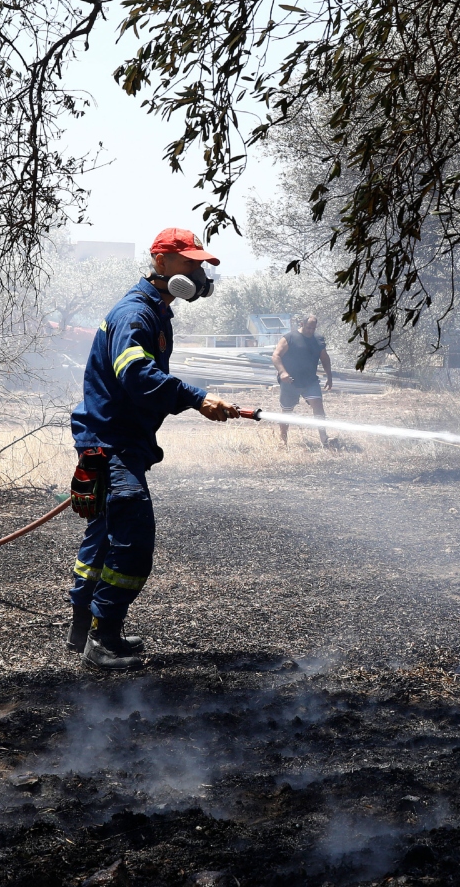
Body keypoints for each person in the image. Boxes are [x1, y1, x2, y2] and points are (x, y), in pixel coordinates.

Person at [67, 228, 240, 670]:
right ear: (160, 263)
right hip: (112, 443)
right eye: (190, 264)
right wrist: (197, 398)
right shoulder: (135, 314)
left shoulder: (155, 311)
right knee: (132, 541)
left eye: (201, 266)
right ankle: (101, 640)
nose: (198, 274)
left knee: (104, 536)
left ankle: (83, 628)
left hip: (115, 441)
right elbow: (137, 377)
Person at [271, 313, 335, 447]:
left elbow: (324, 358)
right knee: (286, 411)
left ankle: (324, 439)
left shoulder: (318, 340)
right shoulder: (289, 338)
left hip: (310, 381)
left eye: (313, 328)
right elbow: (276, 356)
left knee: (318, 406)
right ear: (301, 324)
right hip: (290, 382)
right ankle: (283, 440)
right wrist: (282, 372)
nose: (310, 331)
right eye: (308, 328)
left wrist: (329, 376)